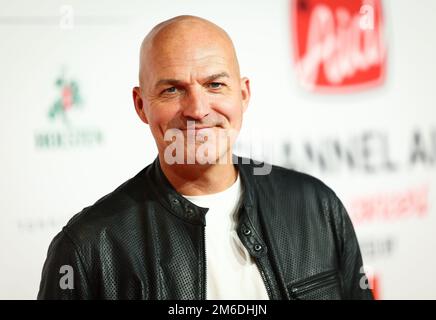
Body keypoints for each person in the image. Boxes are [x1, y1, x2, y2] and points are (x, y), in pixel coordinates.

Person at [38, 15, 373, 300]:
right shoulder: (88, 247)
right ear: (141, 105)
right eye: (172, 90)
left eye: (215, 85)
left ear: (243, 95)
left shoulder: (316, 206)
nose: (197, 110)